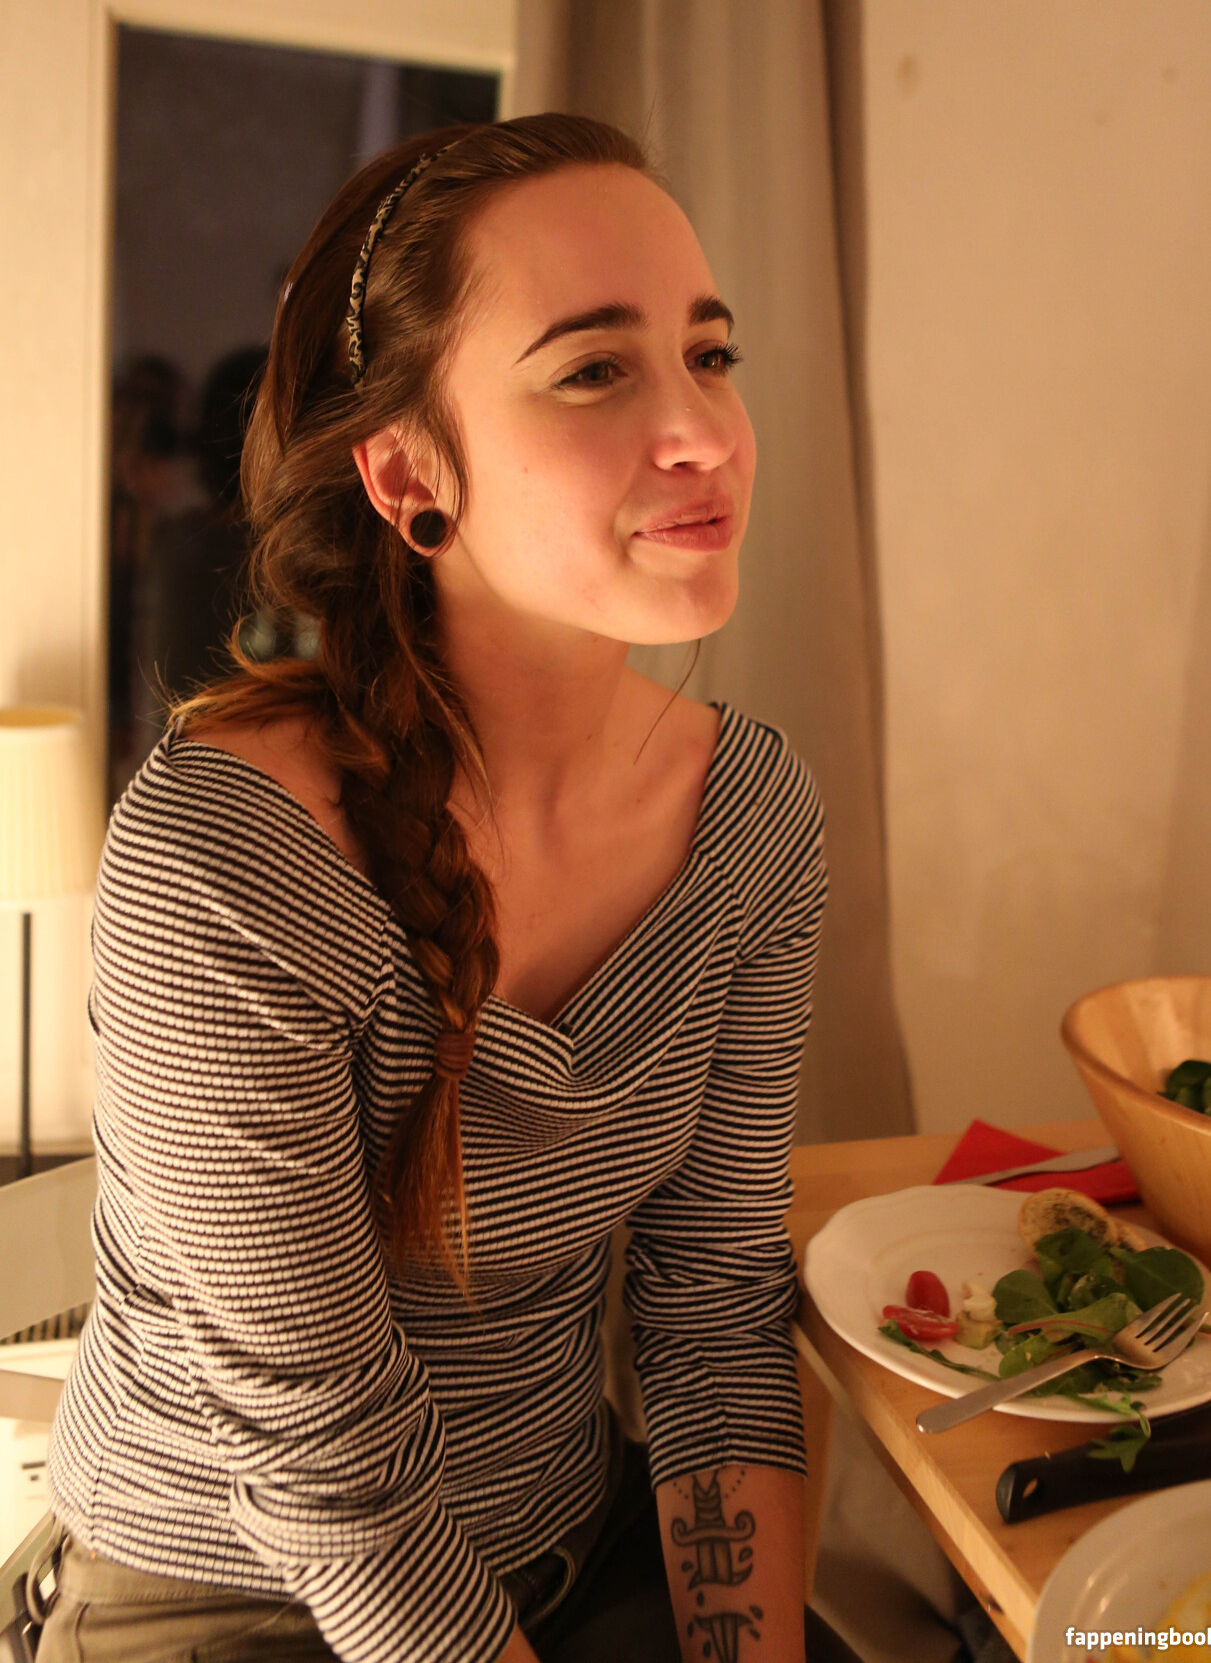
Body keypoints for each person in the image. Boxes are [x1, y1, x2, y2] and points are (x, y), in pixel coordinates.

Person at [40, 115, 859, 1663]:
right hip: (231, 1598)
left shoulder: (752, 823)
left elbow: (711, 1309)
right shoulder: (224, 866)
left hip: (571, 1542)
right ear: (409, 472)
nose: (703, 432)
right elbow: (329, 1459)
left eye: (711, 355)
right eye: (595, 370)